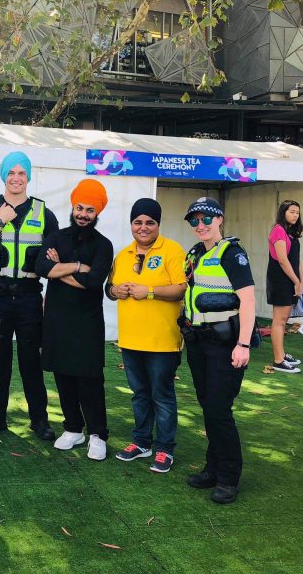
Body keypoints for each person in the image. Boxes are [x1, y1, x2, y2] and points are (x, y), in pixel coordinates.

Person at [0, 151, 59, 440]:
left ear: (28, 177)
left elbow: (55, 262)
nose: (16, 178)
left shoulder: (44, 212)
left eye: (22, 173)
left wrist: (49, 298)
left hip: (30, 296)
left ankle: (39, 420)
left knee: (31, 360)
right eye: (11, 172)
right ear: (4, 176)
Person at [180, 197, 255, 504]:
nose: (200, 225)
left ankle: (228, 477)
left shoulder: (232, 253)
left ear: (220, 219)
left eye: (206, 219)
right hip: (198, 341)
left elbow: (248, 301)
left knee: (219, 411)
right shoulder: (195, 253)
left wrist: (244, 344)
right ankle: (212, 469)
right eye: (194, 221)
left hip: (226, 345)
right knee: (208, 407)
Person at [106, 198, 187, 473]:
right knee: (139, 394)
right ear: (131, 224)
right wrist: (115, 291)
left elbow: (181, 289)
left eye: (149, 222)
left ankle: (165, 448)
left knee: (161, 395)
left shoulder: (173, 251)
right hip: (130, 340)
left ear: (158, 224)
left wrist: (149, 291)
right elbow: (110, 287)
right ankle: (141, 442)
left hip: (162, 341)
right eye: (138, 222)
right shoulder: (124, 254)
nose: (143, 227)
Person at [36, 179, 113, 460]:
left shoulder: (104, 245)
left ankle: (97, 434)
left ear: (97, 213)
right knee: (63, 375)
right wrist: (78, 267)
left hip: (88, 323)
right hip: (57, 320)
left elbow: (94, 283)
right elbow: (41, 267)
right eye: (79, 208)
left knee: (90, 379)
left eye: (89, 210)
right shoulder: (57, 237)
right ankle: (73, 428)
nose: (83, 214)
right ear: (73, 206)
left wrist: (59, 269)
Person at [267, 200, 303, 373]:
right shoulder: (278, 231)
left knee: (283, 321)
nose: (295, 215)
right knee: (279, 321)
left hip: (290, 280)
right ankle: (278, 360)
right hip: (280, 281)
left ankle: (281, 354)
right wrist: (296, 281)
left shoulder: (291, 233)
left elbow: (298, 261)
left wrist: (301, 280)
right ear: (283, 213)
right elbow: (282, 260)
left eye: (297, 212)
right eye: (291, 211)